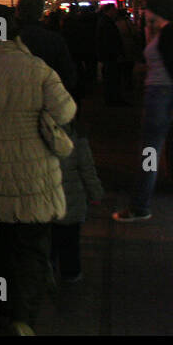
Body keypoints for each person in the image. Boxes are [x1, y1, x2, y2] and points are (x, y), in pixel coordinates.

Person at [0, 3, 77, 335]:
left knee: (0, 251)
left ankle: (4, 307)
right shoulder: (38, 69)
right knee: (33, 250)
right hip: (34, 174)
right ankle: (23, 316)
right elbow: (65, 112)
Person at [115, 0, 173, 222]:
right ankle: (140, 202)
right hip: (162, 96)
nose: (143, 11)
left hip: (163, 97)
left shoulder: (171, 32)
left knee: (151, 150)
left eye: (145, 7)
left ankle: (140, 203)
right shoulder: (165, 31)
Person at [52, 121, 102, 282]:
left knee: (48, 241)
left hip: (48, 202)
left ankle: (48, 273)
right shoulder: (77, 138)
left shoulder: (39, 136)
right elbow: (87, 170)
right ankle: (71, 273)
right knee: (70, 242)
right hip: (72, 203)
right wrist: (95, 194)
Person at [15, 0, 79, 96]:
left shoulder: (8, 39)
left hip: (17, 96)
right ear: (40, 13)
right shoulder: (54, 39)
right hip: (46, 95)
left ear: (18, 11)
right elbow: (67, 75)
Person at [95, 4, 125, 106]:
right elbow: (109, 41)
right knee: (112, 77)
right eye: (114, 10)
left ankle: (112, 98)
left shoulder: (104, 22)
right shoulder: (106, 23)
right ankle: (113, 99)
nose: (115, 12)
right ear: (109, 10)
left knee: (110, 78)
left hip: (108, 55)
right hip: (110, 55)